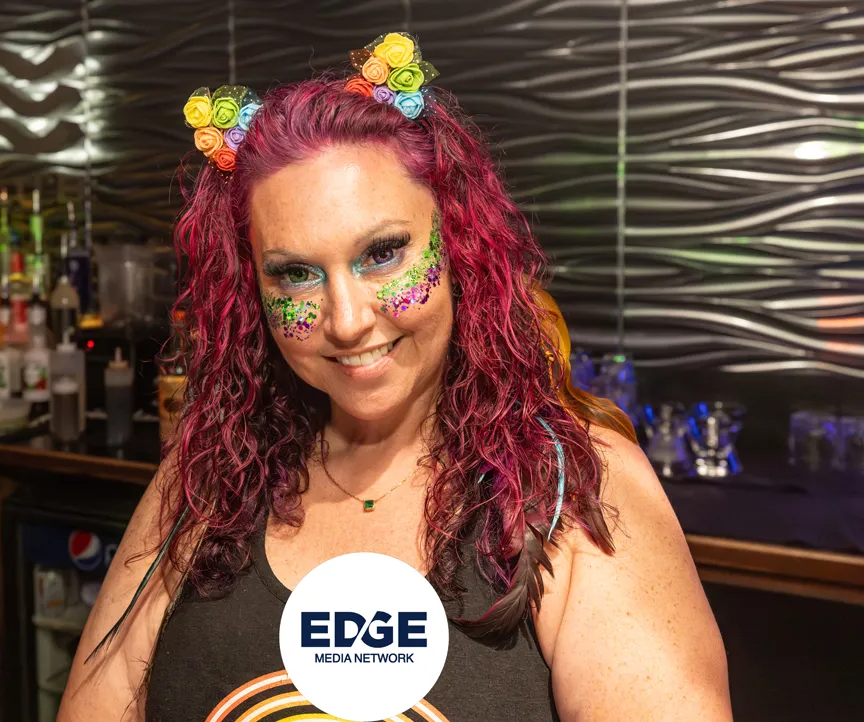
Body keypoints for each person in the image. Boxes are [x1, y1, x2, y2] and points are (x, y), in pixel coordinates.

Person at [59, 31, 731, 722]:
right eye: (296, 274)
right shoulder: (207, 480)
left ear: (459, 244)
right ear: (251, 290)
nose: (348, 321)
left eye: (382, 254)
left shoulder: (573, 488)